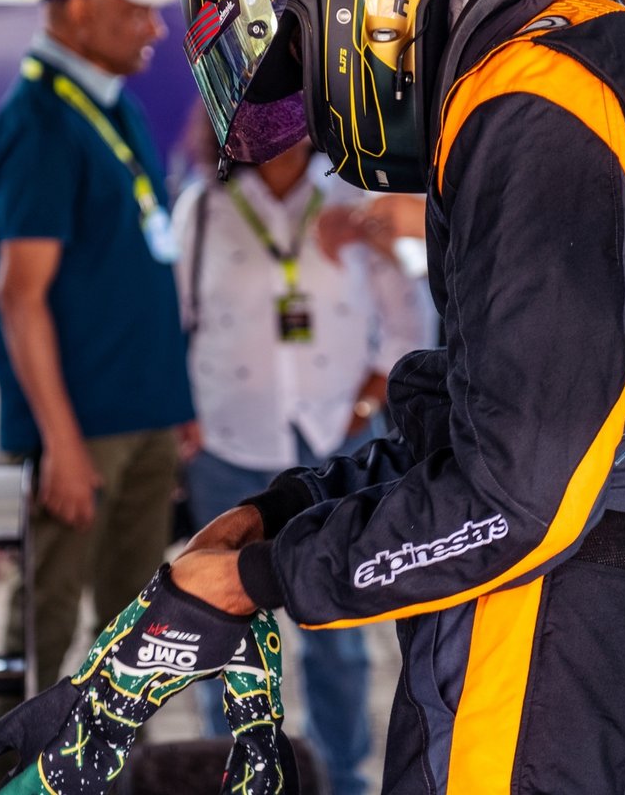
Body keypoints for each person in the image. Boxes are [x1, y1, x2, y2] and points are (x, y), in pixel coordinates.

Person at [166, 0, 625, 794]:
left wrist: (266, 575)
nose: (309, 96)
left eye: (295, 48)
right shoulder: (580, 59)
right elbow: (508, 418)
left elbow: (514, 498)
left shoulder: (537, 100)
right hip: (582, 629)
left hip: (538, 641)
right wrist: (290, 509)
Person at [172, 118, 429, 795]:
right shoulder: (203, 208)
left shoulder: (353, 197)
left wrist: (368, 403)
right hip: (228, 445)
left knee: (337, 630)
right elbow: (176, 318)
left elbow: (408, 319)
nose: (279, 130)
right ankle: (230, 777)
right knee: (221, 632)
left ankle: (340, 777)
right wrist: (184, 418)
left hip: (333, 448)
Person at [0, 0, 197, 722]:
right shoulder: (41, 119)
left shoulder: (114, 105)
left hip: (142, 414)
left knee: (134, 630)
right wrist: (61, 442)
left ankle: (114, 772)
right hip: (81, 430)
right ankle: (19, 774)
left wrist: (175, 403)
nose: (155, 29)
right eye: (135, 11)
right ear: (77, 11)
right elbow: (19, 294)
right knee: (46, 624)